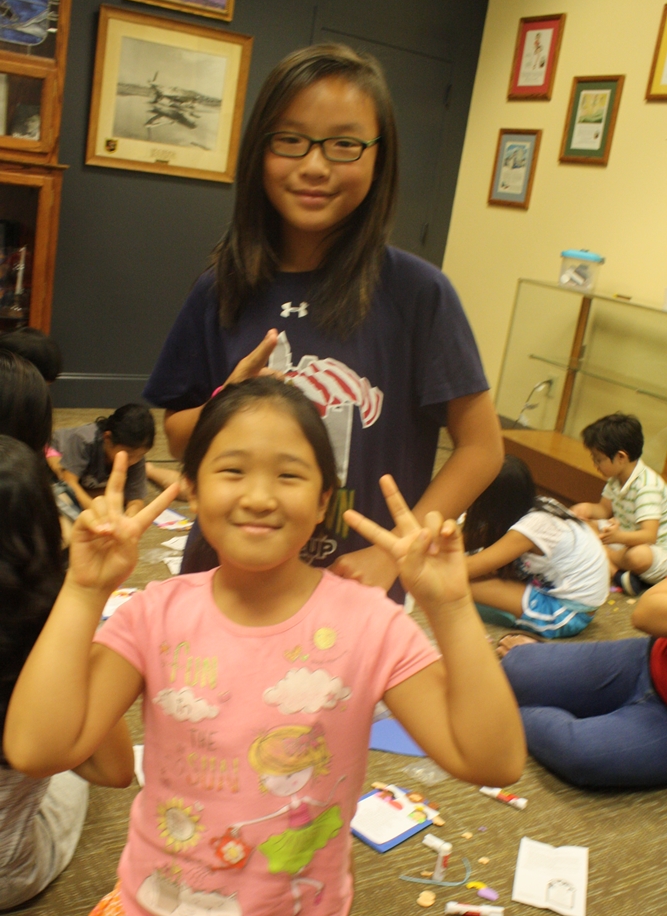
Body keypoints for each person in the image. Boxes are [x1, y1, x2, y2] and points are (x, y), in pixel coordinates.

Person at [5, 378, 525, 916]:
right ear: (192, 489)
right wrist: (84, 590)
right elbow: (36, 749)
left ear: (323, 499)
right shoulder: (154, 614)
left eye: (288, 475)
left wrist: (451, 607)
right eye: (232, 471)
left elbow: (494, 759)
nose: (258, 497)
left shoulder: (369, 623)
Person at [144, 42, 503, 598]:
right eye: (290, 140)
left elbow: (482, 448)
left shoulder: (418, 293)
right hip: (224, 580)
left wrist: (396, 552)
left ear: (379, 157)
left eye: (344, 145)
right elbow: (177, 435)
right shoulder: (221, 286)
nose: (314, 166)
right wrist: (228, 401)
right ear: (260, 149)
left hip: (353, 591)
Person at [0, 436, 90, 908]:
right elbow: (114, 768)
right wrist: (85, 597)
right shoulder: (48, 626)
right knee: (69, 766)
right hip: (10, 876)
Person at [499, 579, 667, 788]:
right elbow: (645, 614)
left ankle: (507, 712)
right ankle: (513, 703)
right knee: (517, 669)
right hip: (650, 659)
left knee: (582, 754)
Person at [464, 455, 609, 638]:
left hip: (568, 613)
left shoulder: (529, 529)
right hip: (577, 603)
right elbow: (475, 539)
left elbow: (466, 569)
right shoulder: (538, 505)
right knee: (474, 567)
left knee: (461, 583)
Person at [572, 412, 667, 596]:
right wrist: (586, 509)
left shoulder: (647, 486)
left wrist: (618, 537)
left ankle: (609, 563)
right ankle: (618, 573)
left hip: (656, 552)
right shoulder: (616, 478)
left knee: (638, 556)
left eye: (598, 459)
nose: (595, 464)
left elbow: (649, 536)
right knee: (582, 525)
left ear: (621, 457)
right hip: (624, 539)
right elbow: (604, 510)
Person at [50, 404, 155, 516]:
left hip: (88, 483)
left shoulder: (136, 455)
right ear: (107, 438)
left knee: (122, 495)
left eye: (140, 455)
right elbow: (69, 483)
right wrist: (99, 513)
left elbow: (136, 500)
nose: (133, 461)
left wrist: (131, 516)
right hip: (55, 459)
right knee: (59, 495)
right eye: (128, 454)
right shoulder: (83, 441)